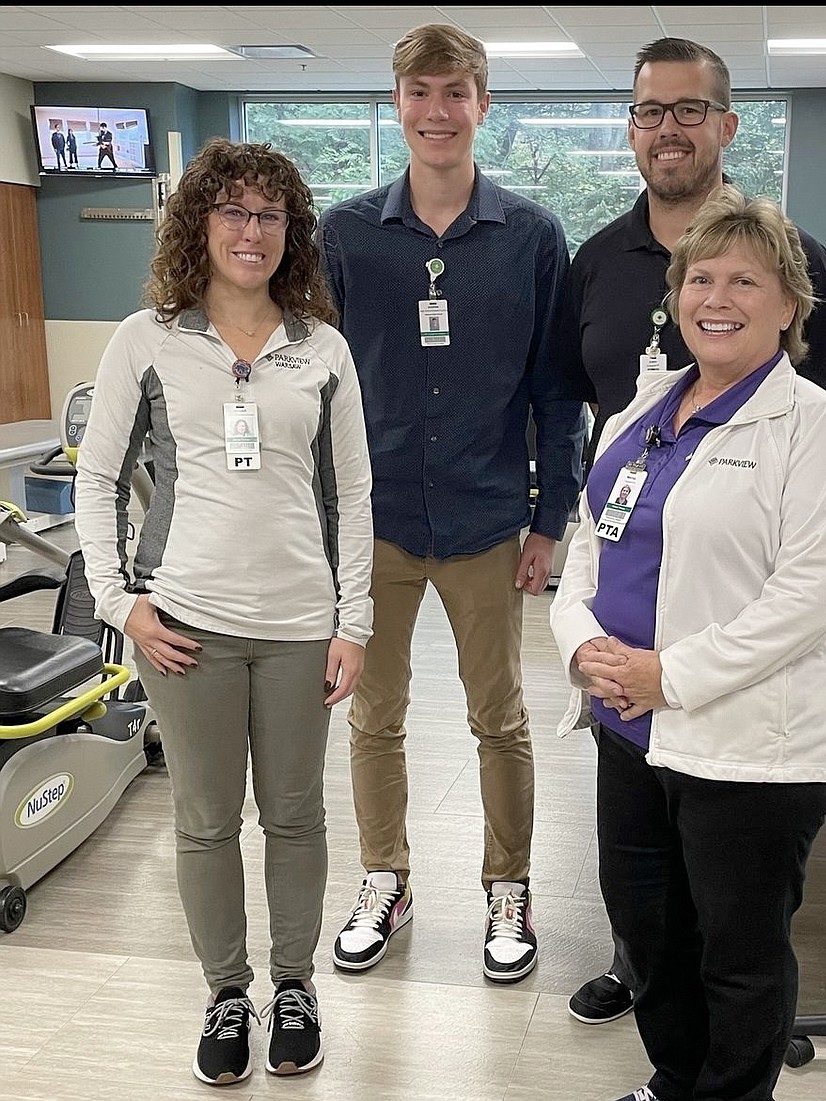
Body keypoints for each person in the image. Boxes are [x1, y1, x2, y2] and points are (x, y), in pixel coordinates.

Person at [549, 184, 826, 1101]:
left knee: (737, 953)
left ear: (789, 306)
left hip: (751, 751)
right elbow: (585, 552)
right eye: (701, 278)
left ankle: (733, 1093)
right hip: (627, 729)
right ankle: (674, 1080)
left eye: (746, 280)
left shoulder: (816, 434)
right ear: (675, 295)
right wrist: (583, 648)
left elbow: (805, 601)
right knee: (650, 933)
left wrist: (671, 673)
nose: (718, 299)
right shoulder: (642, 413)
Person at [73, 138, 374, 1086]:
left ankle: (294, 986)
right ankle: (225, 992)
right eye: (234, 211)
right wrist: (122, 601)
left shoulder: (319, 347)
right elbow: (97, 477)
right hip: (186, 628)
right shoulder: (146, 338)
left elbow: (356, 493)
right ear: (198, 223)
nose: (252, 231)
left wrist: (352, 620)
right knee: (205, 822)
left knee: (294, 819)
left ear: (294, 233)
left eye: (271, 215)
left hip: (296, 624)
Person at [318, 23, 585, 984]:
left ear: (483, 104)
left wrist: (549, 520)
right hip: (376, 523)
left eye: (457, 91)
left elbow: (558, 394)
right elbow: (316, 388)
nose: (439, 111)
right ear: (397, 105)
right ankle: (384, 878)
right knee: (372, 717)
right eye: (421, 91)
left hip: (483, 521)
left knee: (499, 719)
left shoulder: (531, 238)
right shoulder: (345, 235)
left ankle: (506, 888)